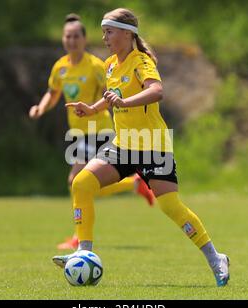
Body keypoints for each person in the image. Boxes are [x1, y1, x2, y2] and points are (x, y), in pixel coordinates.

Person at [52, 8, 230, 286]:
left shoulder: (141, 61)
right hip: (123, 145)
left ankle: (215, 257)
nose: (105, 37)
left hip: (151, 144)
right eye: (104, 31)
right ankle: (83, 253)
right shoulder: (110, 64)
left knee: (170, 206)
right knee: (81, 183)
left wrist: (125, 102)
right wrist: (94, 107)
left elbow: (156, 90)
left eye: (109, 31)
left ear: (127, 33)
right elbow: (115, 97)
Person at [29, 13, 155, 250]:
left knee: (77, 180)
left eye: (76, 36)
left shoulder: (97, 66)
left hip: (99, 129)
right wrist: (40, 108)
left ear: (84, 39)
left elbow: (115, 91)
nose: (72, 40)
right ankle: (135, 184)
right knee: (82, 183)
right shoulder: (60, 68)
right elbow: (53, 92)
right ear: (63, 39)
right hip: (78, 133)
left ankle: (80, 236)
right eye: (68, 36)